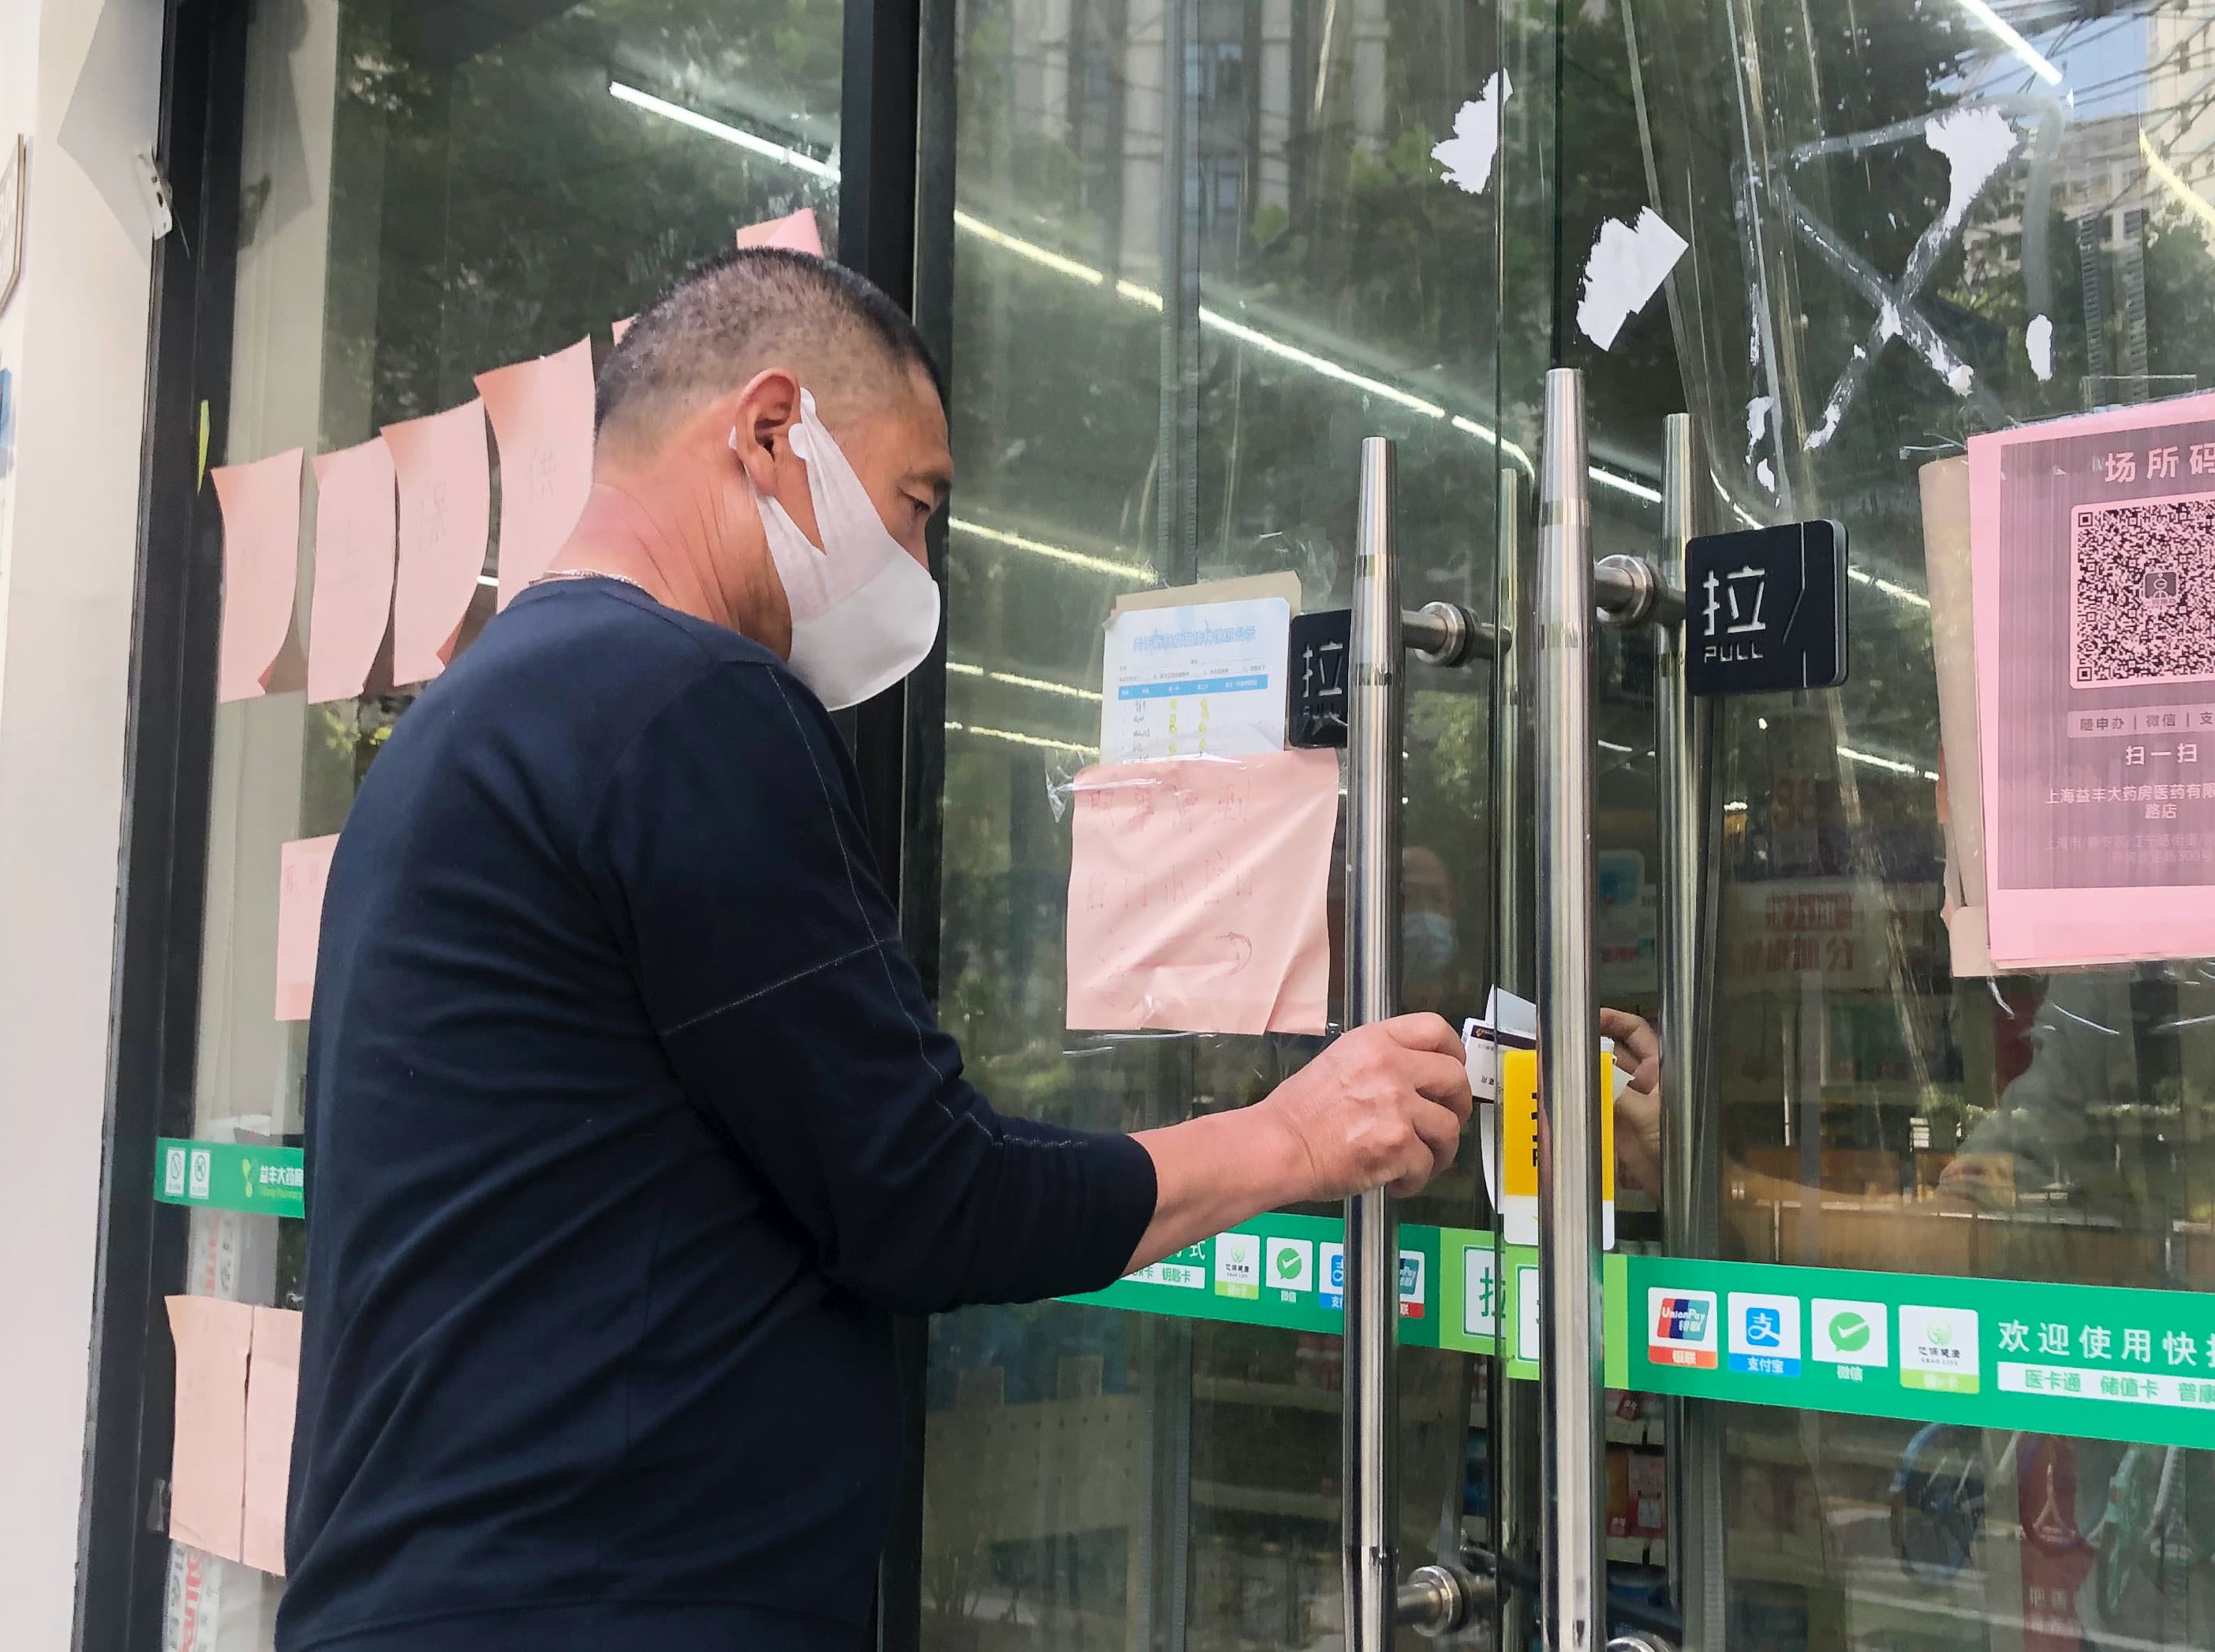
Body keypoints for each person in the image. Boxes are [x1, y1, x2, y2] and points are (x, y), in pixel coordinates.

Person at [279, 249, 1473, 1652]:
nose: (915, 573)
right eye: (915, 510)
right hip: (595, 1596)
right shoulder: (686, 704)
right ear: (772, 433)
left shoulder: (464, 729)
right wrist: (1292, 1136)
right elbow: (917, 1190)